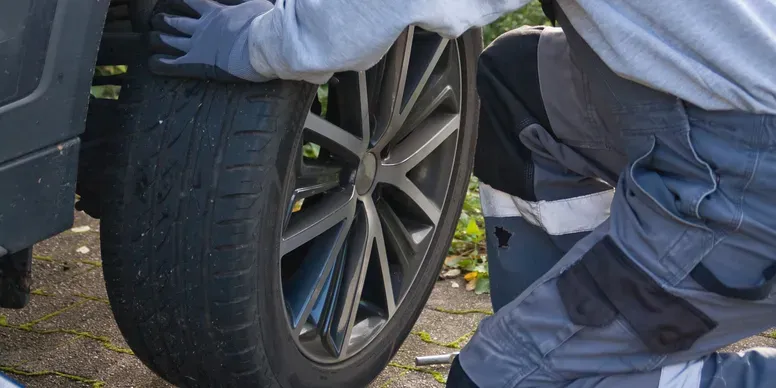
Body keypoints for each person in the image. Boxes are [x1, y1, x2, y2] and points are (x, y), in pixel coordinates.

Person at [149, 0, 776, 386]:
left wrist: (257, 42)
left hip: (746, 189)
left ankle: (571, 363)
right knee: (514, 92)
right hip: (709, 111)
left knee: (502, 381)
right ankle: (577, 336)